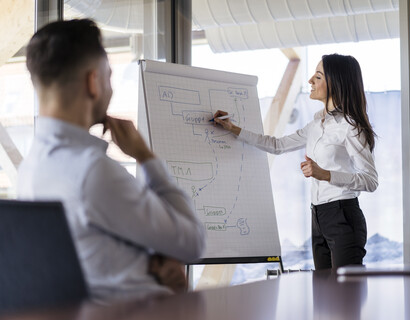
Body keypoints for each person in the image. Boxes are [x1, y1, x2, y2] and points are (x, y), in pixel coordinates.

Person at [17, 19, 205, 300]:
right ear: (93, 82)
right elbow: (192, 242)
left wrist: (148, 262)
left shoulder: (30, 168)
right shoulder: (92, 171)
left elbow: (94, 248)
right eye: (109, 77)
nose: (111, 88)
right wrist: (145, 157)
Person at [213, 53, 378, 269]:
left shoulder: (350, 128)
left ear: (336, 83)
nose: (310, 81)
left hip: (343, 215)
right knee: (324, 294)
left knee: (345, 297)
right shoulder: (317, 124)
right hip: (318, 215)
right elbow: (277, 145)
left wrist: (326, 174)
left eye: (318, 77)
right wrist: (233, 128)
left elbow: (370, 180)